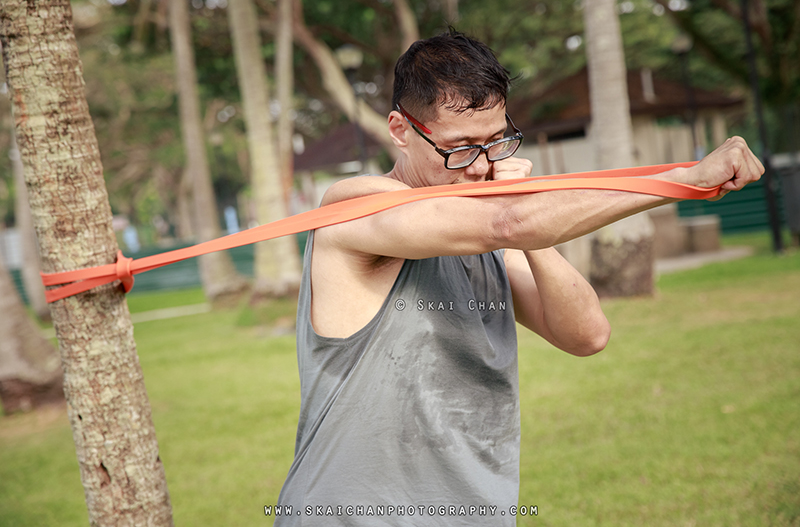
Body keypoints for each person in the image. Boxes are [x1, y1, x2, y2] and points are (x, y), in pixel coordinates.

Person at [274, 30, 764, 526]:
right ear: (401, 130)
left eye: (496, 142)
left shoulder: (491, 235)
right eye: (459, 149)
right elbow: (506, 223)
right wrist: (683, 181)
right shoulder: (354, 208)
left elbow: (587, 335)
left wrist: (525, 219)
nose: (483, 166)